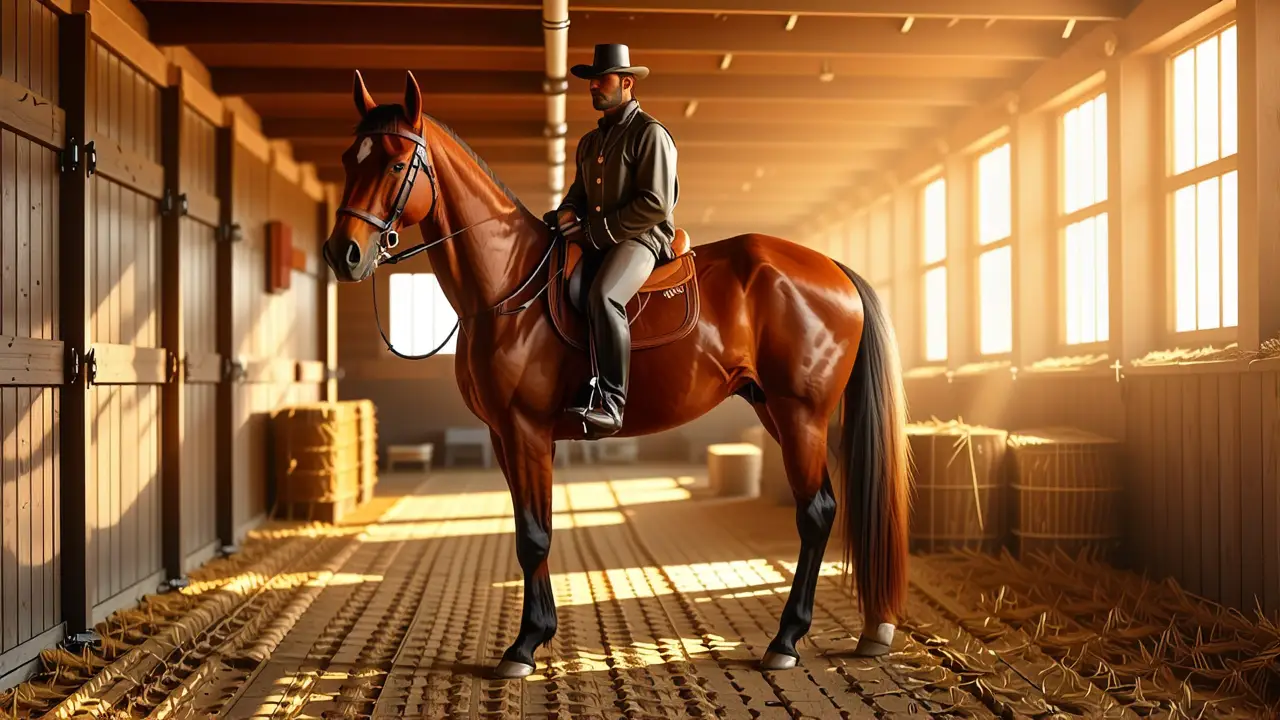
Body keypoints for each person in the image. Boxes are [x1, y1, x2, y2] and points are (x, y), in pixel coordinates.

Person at [548, 43, 680, 438]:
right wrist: (566, 211)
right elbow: (578, 194)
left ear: (626, 83)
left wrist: (595, 234)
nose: (592, 86)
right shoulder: (590, 143)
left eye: (599, 79)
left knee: (604, 295)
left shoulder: (651, 134)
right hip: (598, 239)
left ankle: (612, 403)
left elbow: (656, 203)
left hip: (642, 239)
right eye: (590, 80)